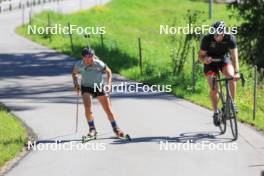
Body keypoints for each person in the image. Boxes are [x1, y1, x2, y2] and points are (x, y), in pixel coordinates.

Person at [72, 47, 126, 138]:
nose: (90, 59)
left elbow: (109, 71)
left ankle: (116, 128)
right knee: (88, 109)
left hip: (99, 87)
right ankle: (92, 129)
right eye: (88, 57)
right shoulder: (78, 65)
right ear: (83, 57)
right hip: (86, 87)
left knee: (108, 109)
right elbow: (74, 73)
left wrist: (108, 84)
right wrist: (76, 83)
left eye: (91, 56)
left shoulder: (98, 63)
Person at [198, 21, 240, 126]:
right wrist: (204, 59)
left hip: (223, 60)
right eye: (214, 34)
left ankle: (231, 103)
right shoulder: (207, 39)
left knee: (231, 77)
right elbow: (200, 56)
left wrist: (237, 72)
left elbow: (234, 57)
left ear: (223, 33)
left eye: (217, 34)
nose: (215, 36)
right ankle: (216, 111)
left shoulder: (230, 38)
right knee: (214, 88)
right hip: (210, 63)